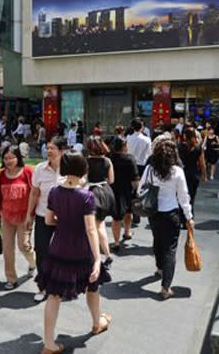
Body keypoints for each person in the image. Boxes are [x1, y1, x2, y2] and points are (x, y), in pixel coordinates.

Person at [36, 151, 111, 354]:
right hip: (82, 251)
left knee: (53, 295)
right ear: (83, 169)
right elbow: (90, 229)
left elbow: (48, 220)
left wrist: (65, 221)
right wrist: (98, 259)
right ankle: (97, 323)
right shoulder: (86, 196)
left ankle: (49, 343)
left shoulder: (54, 191)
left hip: (58, 248)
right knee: (93, 288)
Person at [139, 139, 194, 300]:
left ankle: (159, 268)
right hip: (171, 213)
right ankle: (165, 287)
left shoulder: (150, 169)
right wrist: (189, 217)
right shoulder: (177, 171)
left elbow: (140, 188)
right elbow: (184, 196)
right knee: (170, 249)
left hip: (153, 212)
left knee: (157, 240)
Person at [27, 136, 67, 303]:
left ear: (62, 151)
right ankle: (42, 286)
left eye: (53, 148)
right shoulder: (39, 169)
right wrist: (29, 215)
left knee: (63, 253)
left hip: (65, 219)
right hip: (43, 216)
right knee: (41, 251)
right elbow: (35, 192)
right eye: (47, 148)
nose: (49, 151)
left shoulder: (69, 168)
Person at [0, 145, 37, 289]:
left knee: (23, 245)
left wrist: (30, 215)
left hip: (24, 216)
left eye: (11, 157)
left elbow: (34, 193)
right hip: (7, 216)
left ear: (18, 157)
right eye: (5, 158)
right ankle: (11, 278)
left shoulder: (27, 172)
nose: (8, 161)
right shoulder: (2, 173)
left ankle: (33, 263)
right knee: (7, 248)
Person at [86, 136, 115, 264]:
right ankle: (106, 253)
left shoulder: (86, 161)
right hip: (106, 192)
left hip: (92, 193)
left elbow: (84, 180)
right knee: (100, 224)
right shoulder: (107, 161)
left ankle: (102, 255)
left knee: (95, 226)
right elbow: (111, 180)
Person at [108, 136, 139, 252]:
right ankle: (127, 231)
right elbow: (135, 179)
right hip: (127, 190)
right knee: (128, 212)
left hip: (113, 189)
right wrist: (136, 190)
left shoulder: (109, 158)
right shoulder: (130, 159)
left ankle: (116, 242)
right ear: (124, 146)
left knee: (116, 218)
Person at [179, 128, 206, 219]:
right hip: (194, 175)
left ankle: (182, 217)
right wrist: (203, 176)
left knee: (181, 196)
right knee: (191, 197)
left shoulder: (180, 147)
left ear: (184, 136)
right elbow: (202, 164)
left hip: (182, 174)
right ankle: (189, 217)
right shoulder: (198, 148)